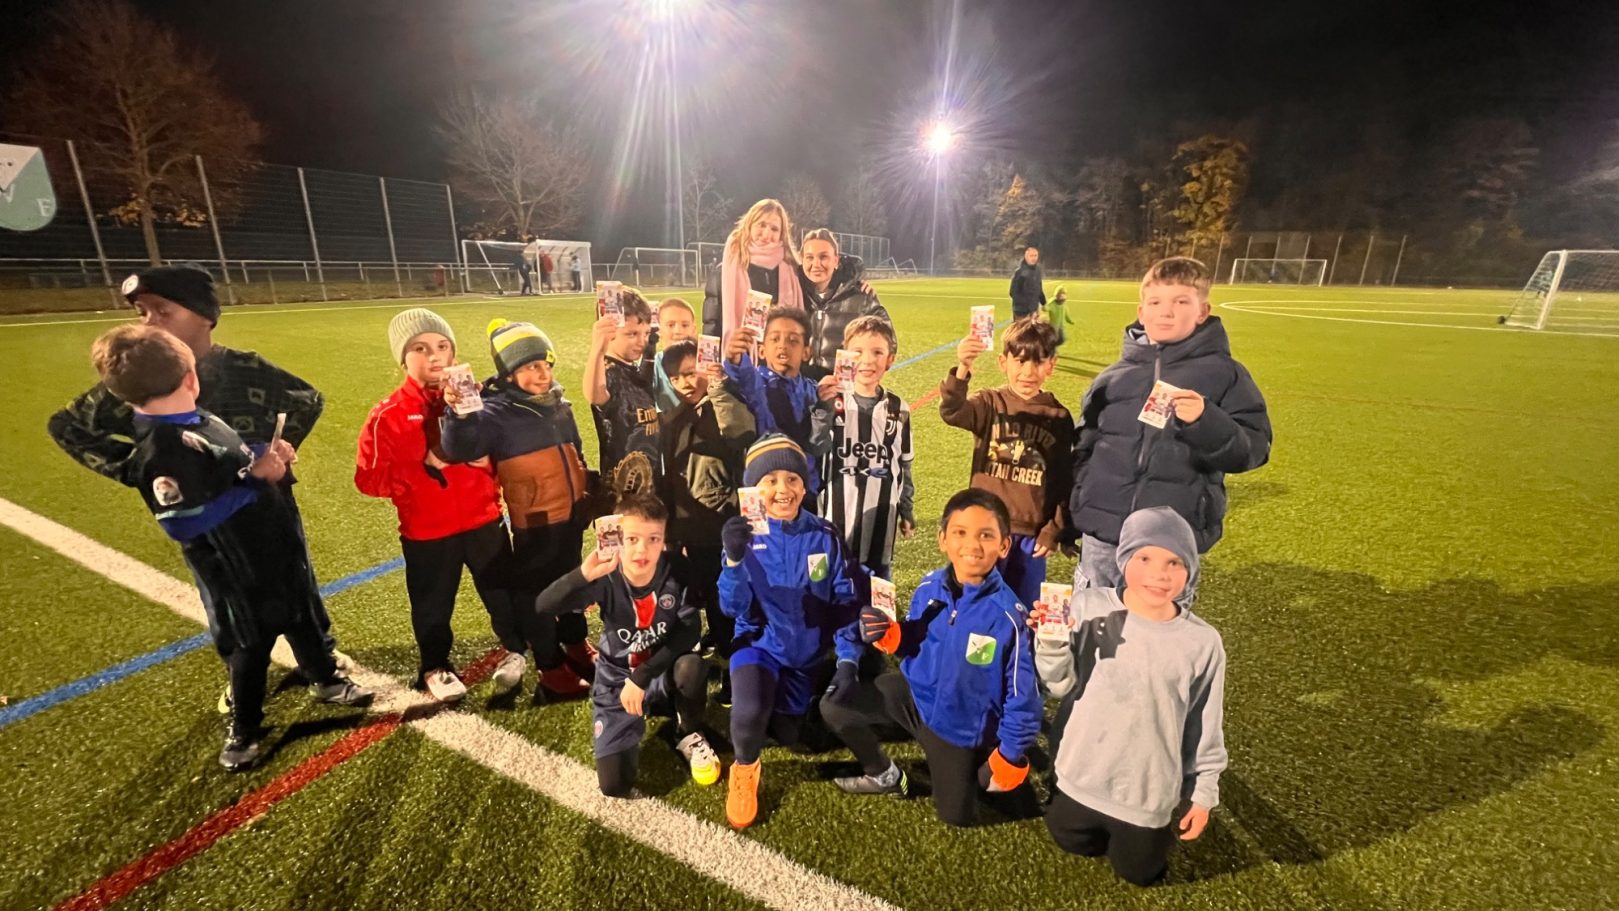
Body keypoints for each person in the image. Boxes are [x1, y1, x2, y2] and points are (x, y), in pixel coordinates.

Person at [47, 263, 347, 712]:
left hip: (269, 504)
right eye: (142, 313)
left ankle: (318, 653)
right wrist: (133, 469)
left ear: (204, 315)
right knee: (224, 596)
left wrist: (278, 447)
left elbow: (307, 399)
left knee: (294, 577)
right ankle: (242, 669)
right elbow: (67, 426)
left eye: (162, 311)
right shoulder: (137, 382)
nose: (149, 322)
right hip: (208, 524)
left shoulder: (244, 368)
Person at [91, 324, 372, 772]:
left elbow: (232, 458)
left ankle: (325, 679)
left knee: (300, 615)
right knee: (250, 645)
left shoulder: (198, 419)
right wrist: (257, 480)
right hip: (236, 569)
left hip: (273, 548)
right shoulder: (162, 448)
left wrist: (265, 452)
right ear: (189, 377)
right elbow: (185, 523)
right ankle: (245, 728)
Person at [824, 488, 1041, 827]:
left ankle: (991, 766)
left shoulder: (1009, 617)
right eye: (960, 532)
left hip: (959, 730)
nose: (972, 545)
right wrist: (893, 636)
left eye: (986, 535)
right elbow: (916, 638)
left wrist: (1010, 755)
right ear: (942, 539)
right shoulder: (928, 588)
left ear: (1004, 546)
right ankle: (883, 773)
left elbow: (1023, 699)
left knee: (958, 816)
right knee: (835, 705)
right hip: (916, 699)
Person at [1034, 507, 1226, 887]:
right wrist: (1050, 642)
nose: (1159, 573)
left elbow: (1204, 725)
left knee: (1139, 873)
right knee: (1069, 840)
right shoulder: (1088, 607)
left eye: (1174, 561)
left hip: (1146, 796)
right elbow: (1057, 686)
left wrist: (1203, 792)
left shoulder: (1203, 643)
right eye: (1144, 558)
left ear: (1190, 570)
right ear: (1123, 560)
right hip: (1079, 776)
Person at [1067, 256, 1272, 590]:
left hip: (1168, 543)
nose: (1166, 311)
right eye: (1156, 302)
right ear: (1141, 311)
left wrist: (1206, 421)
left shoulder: (1224, 375)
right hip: (1103, 536)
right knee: (1093, 627)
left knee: (1159, 635)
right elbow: (1085, 447)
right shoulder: (1112, 378)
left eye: (1181, 301)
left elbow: (1254, 449)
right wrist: (1079, 504)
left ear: (1202, 311)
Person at [354, 309, 525, 702]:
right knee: (433, 604)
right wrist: (426, 466)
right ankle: (435, 666)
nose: (434, 356)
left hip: (484, 519)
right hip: (428, 532)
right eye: (420, 348)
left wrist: (488, 463)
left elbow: (502, 451)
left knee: (502, 591)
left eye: (442, 346)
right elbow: (369, 480)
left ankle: (517, 649)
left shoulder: (477, 401)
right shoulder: (388, 415)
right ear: (403, 357)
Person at [439, 318, 597, 699]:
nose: (542, 374)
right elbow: (460, 448)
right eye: (530, 367)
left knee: (574, 585)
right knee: (537, 597)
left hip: (571, 515)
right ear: (509, 375)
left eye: (545, 364)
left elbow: (575, 451)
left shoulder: (559, 403)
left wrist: (587, 489)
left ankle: (575, 644)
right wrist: (458, 413)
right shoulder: (495, 413)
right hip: (536, 522)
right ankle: (550, 665)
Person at [718, 435, 866, 829]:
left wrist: (849, 659)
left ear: (804, 485)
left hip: (806, 654)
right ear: (754, 487)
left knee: (790, 735)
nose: (782, 489)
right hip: (759, 647)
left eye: (792, 479)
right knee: (748, 714)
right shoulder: (742, 536)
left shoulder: (826, 535)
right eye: (770, 480)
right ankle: (744, 770)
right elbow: (731, 608)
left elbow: (846, 602)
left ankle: (779, 711)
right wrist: (733, 560)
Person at [533, 491, 721, 795]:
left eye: (653, 539)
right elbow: (543, 606)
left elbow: (689, 631)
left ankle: (687, 731)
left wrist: (643, 675)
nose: (642, 549)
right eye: (632, 539)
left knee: (692, 667)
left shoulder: (676, 569)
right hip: (616, 683)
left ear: (664, 540)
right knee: (614, 785)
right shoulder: (605, 575)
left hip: (657, 673)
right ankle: (635, 712)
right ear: (618, 538)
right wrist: (582, 574)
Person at [939, 316, 1073, 607]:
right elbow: (952, 411)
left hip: (1030, 537)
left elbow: (1064, 479)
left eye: (1038, 363)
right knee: (976, 602)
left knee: (1023, 608)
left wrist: (1054, 529)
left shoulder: (1059, 416)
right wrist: (963, 367)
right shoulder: (990, 403)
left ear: (1051, 365)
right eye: (1020, 361)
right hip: (985, 530)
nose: (1028, 372)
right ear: (1003, 362)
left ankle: (1017, 653)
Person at [658, 340, 756, 706]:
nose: (684, 382)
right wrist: (671, 531)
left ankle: (736, 667)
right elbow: (669, 478)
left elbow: (743, 444)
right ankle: (712, 658)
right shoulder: (671, 420)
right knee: (701, 601)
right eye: (675, 377)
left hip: (726, 528)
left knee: (728, 603)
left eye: (690, 371)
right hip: (691, 531)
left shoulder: (724, 409)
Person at [814, 315, 913, 580]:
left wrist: (906, 509)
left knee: (878, 598)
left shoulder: (898, 408)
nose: (867, 360)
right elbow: (813, 446)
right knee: (833, 595)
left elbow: (903, 464)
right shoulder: (831, 400)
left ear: (890, 359)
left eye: (877, 352)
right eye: (858, 352)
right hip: (834, 523)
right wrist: (822, 407)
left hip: (881, 524)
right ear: (845, 356)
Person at [722, 307, 837, 497]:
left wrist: (824, 405)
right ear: (762, 350)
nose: (782, 346)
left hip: (804, 487)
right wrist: (734, 359)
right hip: (764, 487)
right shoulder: (757, 382)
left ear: (806, 352)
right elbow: (742, 377)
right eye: (774, 339)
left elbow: (817, 442)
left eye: (793, 341)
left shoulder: (813, 391)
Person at [584, 287, 662, 489]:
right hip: (621, 494)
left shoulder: (634, 369)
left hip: (649, 486)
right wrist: (597, 351)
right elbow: (595, 394)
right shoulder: (609, 372)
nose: (641, 342)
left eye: (645, 333)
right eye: (631, 334)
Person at [701, 198, 804, 339]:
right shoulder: (724, 271)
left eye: (774, 229)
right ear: (749, 225)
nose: (767, 234)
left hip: (780, 355)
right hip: (739, 356)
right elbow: (711, 325)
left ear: (782, 234)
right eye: (761, 225)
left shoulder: (792, 271)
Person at [794, 228, 889, 379]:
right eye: (809, 257)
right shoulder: (792, 293)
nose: (816, 264)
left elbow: (887, 340)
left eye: (823, 257)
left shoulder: (861, 297)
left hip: (842, 392)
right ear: (802, 260)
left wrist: (864, 373)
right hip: (802, 389)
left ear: (836, 261)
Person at [651, 297, 698, 413]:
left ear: (694, 330)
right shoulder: (652, 365)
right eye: (670, 325)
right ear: (659, 330)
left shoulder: (705, 361)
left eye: (685, 325)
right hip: (669, 428)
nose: (678, 331)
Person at [1009, 245, 1046, 321]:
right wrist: (1026, 307)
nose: (1034, 258)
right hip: (1021, 312)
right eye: (1031, 256)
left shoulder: (1038, 271)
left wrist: (1044, 302)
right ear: (1026, 257)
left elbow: (1039, 288)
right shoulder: (1020, 272)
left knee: (1034, 332)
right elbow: (1013, 292)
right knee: (1021, 332)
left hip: (1034, 310)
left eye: (1035, 255)